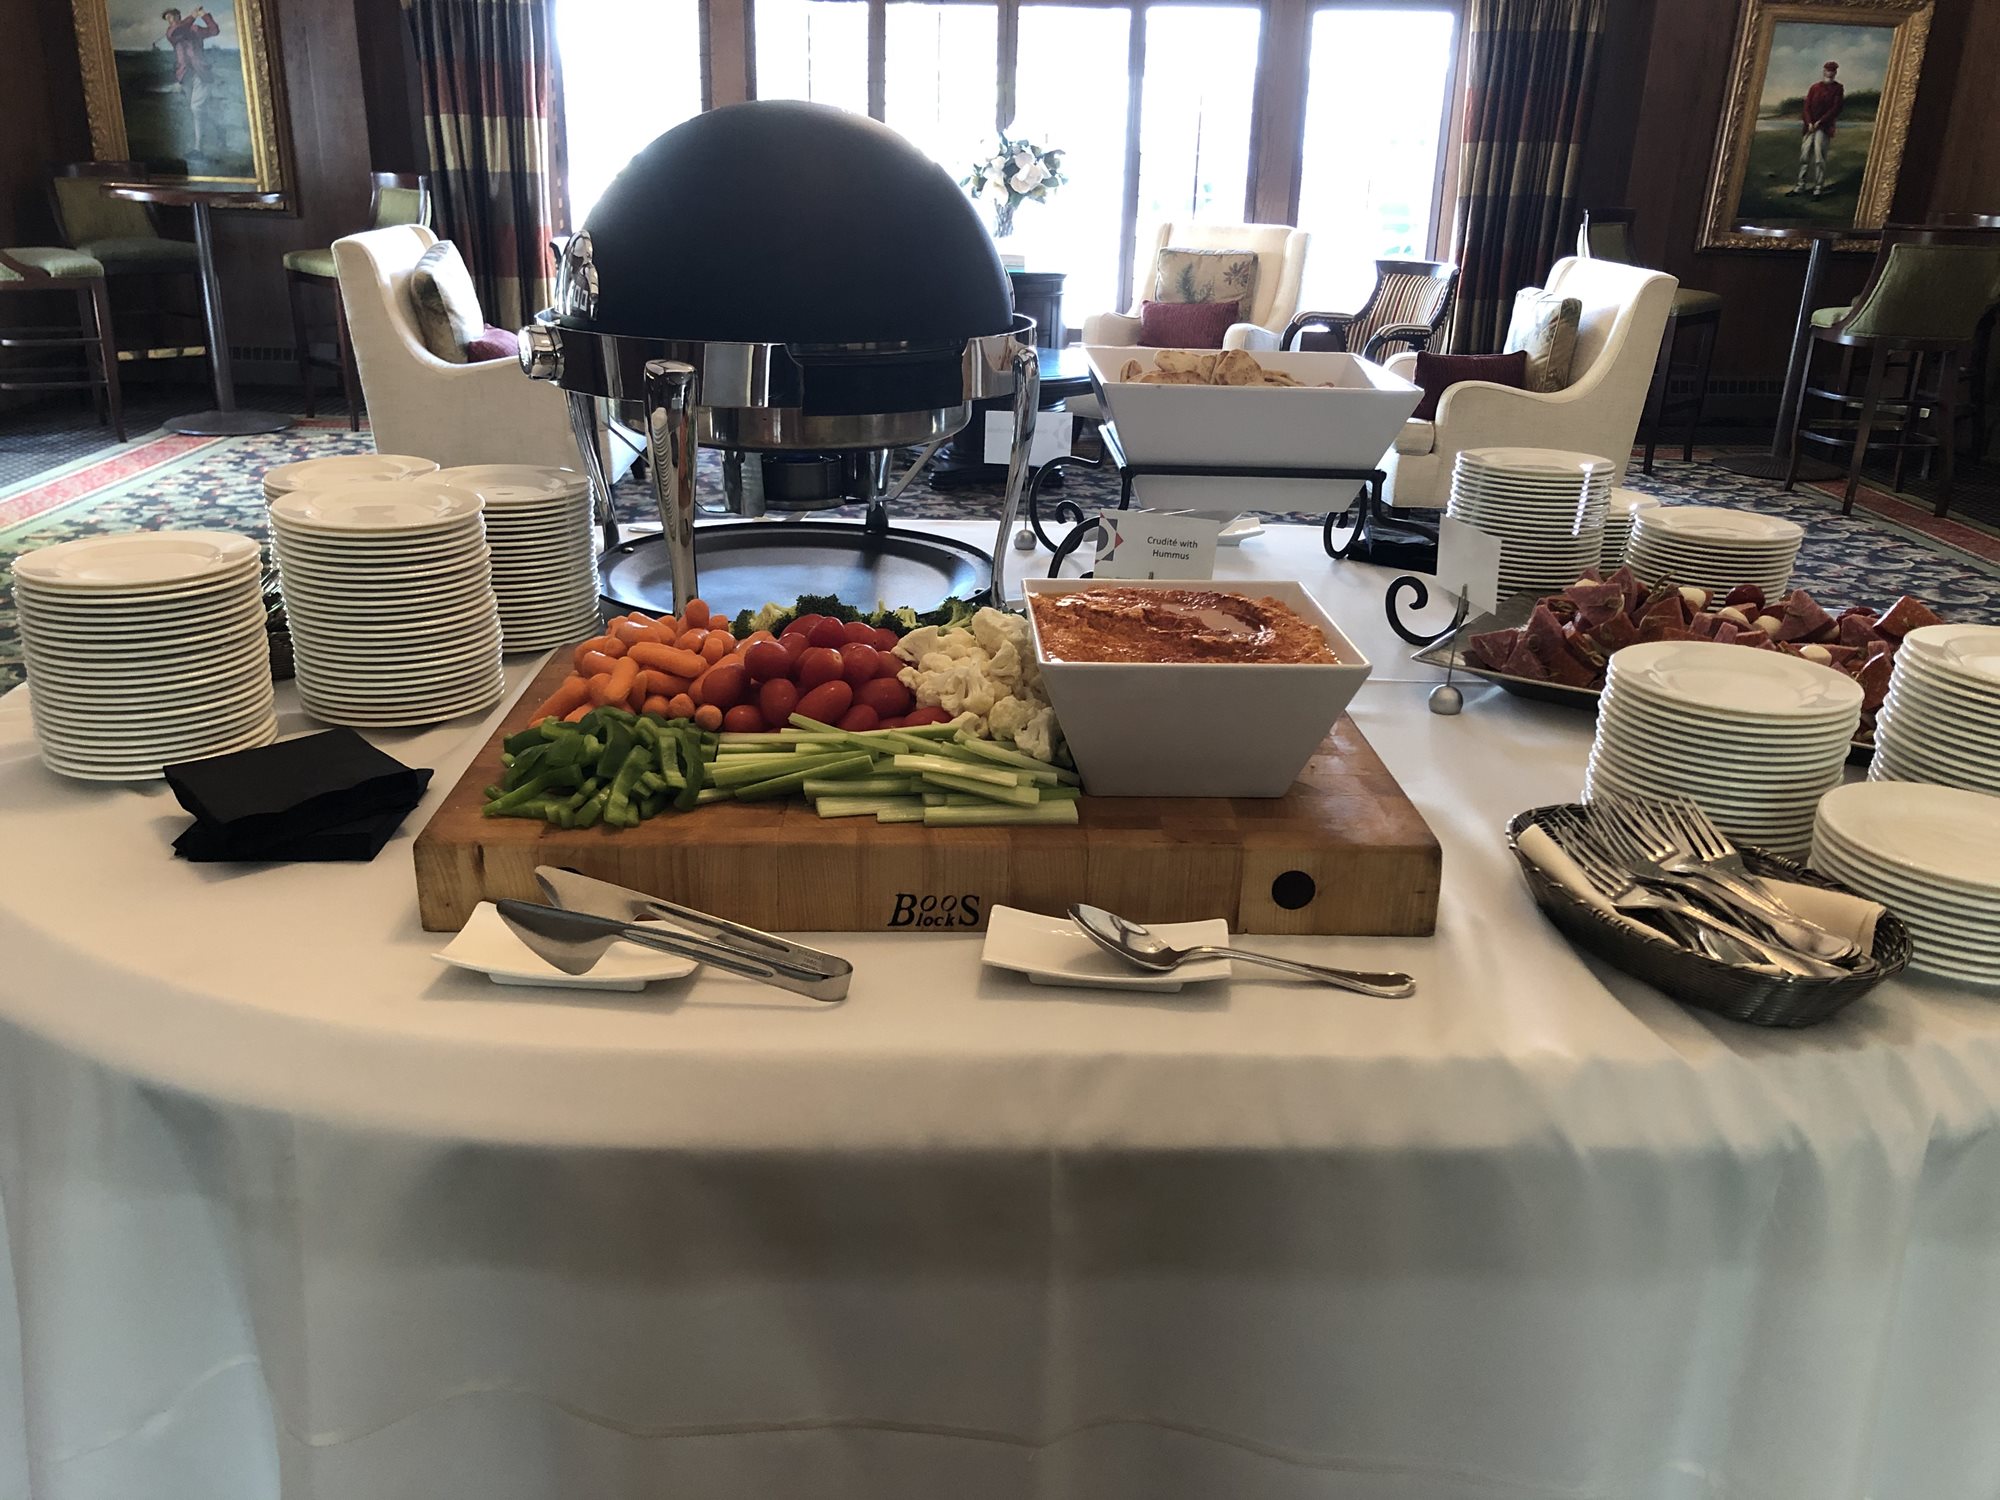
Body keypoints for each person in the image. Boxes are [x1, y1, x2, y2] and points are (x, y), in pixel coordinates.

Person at [161, 7, 220, 157]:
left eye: (172, 17)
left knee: (196, 108)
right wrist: (193, 16)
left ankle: (198, 149)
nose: (170, 21)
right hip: (185, 76)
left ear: (178, 16)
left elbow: (214, 31)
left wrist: (204, 15)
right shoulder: (171, 32)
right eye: (168, 19)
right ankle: (218, 132)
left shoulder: (194, 29)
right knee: (197, 111)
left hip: (201, 73)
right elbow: (179, 30)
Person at [1791, 60, 1844, 199]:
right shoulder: (1814, 87)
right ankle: (1800, 186)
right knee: (1804, 157)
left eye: (1832, 71)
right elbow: (1806, 107)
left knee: (1819, 159)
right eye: (1828, 71)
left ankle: (1818, 188)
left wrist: (1820, 122)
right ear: (1824, 71)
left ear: (1835, 73)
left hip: (1824, 127)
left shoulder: (1838, 88)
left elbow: (1835, 109)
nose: (1830, 73)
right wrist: (1809, 123)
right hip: (1809, 127)